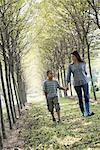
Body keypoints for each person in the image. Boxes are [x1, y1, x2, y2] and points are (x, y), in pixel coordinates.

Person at [66, 50, 94, 117]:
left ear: (76, 56)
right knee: (80, 98)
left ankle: (88, 111)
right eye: (71, 57)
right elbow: (68, 76)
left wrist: (86, 76)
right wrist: (67, 85)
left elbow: (85, 72)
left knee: (86, 96)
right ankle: (83, 112)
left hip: (84, 82)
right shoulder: (70, 66)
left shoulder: (83, 63)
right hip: (76, 83)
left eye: (73, 56)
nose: (72, 58)